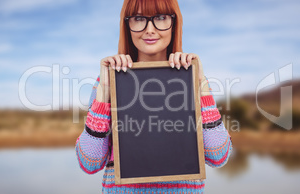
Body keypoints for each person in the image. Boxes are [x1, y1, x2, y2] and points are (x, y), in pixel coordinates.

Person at [75, 0, 232, 193]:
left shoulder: (193, 77)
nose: (150, 29)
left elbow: (218, 156)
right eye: (139, 18)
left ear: (174, 24)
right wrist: (105, 93)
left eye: (161, 18)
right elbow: (89, 163)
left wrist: (200, 85)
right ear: (127, 25)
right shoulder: (107, 80)